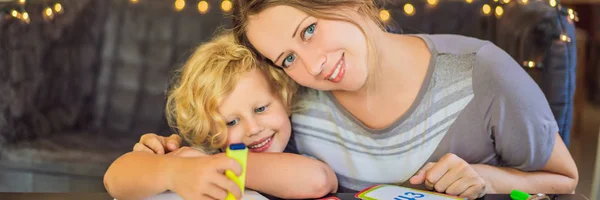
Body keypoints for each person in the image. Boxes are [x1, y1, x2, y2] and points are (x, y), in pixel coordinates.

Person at [137, 0, 579, 199]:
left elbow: (565, 179)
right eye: (288, 57)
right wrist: (174, 161)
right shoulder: (288, 97)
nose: (312, 66)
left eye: (309, 29)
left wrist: (488, 178)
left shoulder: (482, 74)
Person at [103, 33, 338, 200]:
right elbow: (114, 179)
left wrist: (211, 166)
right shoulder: (199, 155)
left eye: (261, 109)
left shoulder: (302, 142)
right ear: (209, 129)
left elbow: (319, 180)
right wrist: (173, 171)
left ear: (283, 97)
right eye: (231, 122)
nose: (253, 129)